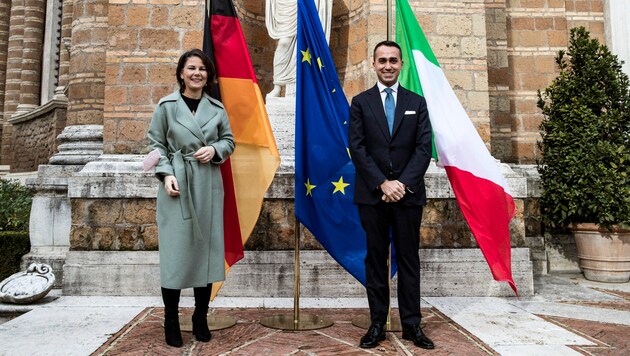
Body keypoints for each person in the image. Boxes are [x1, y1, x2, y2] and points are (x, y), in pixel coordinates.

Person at [348, 40, 435, 350]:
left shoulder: (417, 102)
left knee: (409, 259)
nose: (387, 65)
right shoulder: (360, 102)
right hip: (373, 196)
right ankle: (376, 323)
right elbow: (357, 148)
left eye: (393, 60)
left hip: (408, 196)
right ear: (373, 64)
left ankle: (412, 324)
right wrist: (383, 184)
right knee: (375, 260)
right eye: (382, 60)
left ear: (401, 65)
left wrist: (402, 184)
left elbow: (424, 148)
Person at [147, 49, 235, 347]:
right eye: (191, 68)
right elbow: (156, 144)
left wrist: (215, 150)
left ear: (208, 75)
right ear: (181, 73)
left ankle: (200, 316)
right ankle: (170, 319)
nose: (197, 73)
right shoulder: (167, 106)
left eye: (202, 69)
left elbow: (229, 141)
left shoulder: (216, 107)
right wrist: (166, 173)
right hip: (177, 186)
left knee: (206, 253)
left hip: (208, 184)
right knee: (175, 255)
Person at [265, 0, 332, 98]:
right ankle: (277, 86)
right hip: (286, 5)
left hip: (304, 3)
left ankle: (299, 88)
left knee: (304, 42)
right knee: (283, 44)